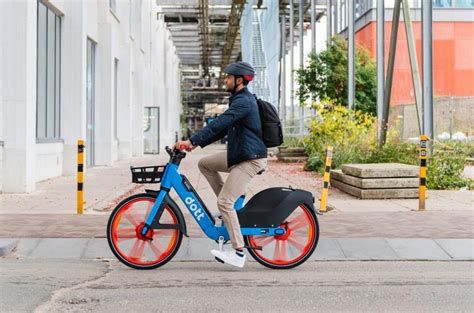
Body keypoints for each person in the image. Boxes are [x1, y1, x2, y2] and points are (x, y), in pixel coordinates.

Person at [174, 61, 267, 268]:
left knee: (224, 203)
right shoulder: (239, 100)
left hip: (250, 159)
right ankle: (233, 202)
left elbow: (219, 123)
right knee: (205, 164)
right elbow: (222, 130)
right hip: (240, 154)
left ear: (239, 80)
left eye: (228, 77)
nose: (225, 80)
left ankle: (238, 253)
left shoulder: (244, 102)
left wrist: (192, 141)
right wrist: (195, 145)